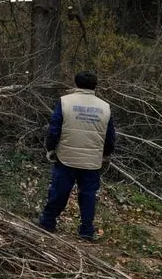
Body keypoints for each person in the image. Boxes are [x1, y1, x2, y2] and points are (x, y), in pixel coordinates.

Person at [37, 71, 116, 241]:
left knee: (59, 191)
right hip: (92, 161)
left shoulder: (65, 102)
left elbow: (54, 129)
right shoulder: (105, 107)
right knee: (88, 195)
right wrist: (106, 155)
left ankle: (48, 222)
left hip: (66, 157)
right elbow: (110, 137)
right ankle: (86, 230)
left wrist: (50, 148)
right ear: (95, 85)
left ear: (76, 83)